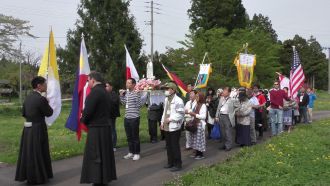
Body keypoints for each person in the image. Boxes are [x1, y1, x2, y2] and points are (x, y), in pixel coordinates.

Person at [15, 76, 54, 185]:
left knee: (28, 153)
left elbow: (24, 113)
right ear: (39, 85)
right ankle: (38, 177)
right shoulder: (41, 99)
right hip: (38, 128)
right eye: (45, 84)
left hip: (27, 129)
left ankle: (29, 176)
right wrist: (46, 102)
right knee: (38, 152)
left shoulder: (27, 98)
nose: (46, 86)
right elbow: (49, 113)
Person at [80, 72, 117, 185]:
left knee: (95, 154)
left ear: (92, 80)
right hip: (105, 127)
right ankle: (104, 178)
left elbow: (88, 112)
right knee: (104, 154)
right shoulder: (105, 92)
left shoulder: (94, 93)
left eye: (88, 81)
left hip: (96, 129)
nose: (88, 83)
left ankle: (97, 180)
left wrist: (83, 120)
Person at [161, 82, 185, 172]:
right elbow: (164, 112)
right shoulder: (166, 99)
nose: (166, 91)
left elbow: (180, 114)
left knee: (175, 146)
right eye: (165, 89)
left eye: (167, 89)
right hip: (166, 126)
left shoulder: (178, 100)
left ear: (173, 90)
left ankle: (178, 164)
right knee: (168, 145)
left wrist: (170, 119)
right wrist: (162, 122)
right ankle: (170, 162)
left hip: (174, 127)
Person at [120, 78, 144, 161]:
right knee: (129, 137)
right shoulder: (126, 93)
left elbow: (140, 105)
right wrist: (121, 95)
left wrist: (137, 96)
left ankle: (137, 153)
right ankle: (131, 152)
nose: (127, 84)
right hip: (127, 117)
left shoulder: (136, 93)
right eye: (126, 83)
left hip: (134, 118)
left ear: (133, 85)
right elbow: (123, 104)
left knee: (135, 136)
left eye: (129, 83)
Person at [215, 87, 236, 151]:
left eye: (225, 91)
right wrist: (216, 116)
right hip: (221, 116)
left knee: (228, 131)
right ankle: (224, 144)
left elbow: (238, 107)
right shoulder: (221, 99)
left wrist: (233, 112)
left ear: (229, 92)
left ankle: (228, 146)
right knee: (222, 131)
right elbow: (218, 108)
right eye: (223, 90)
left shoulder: (232, 99)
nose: (223, 92)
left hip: (227, 117)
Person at [189, 91, 207, 159]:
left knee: (199, 140)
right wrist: (189, 112)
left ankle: (200, 154)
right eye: (196, 96)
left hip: (199, 124)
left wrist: (194, 114)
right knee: (195, 139)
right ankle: (196, 153)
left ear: (201, 97)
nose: (196, 98)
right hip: (194, 123)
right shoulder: (195, 104)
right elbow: (192, 111)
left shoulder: (203, 105)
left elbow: (203, 116)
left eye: (197, 96)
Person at [105, 82, 120, 151]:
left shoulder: (114, 94)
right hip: (105, 116)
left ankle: (113, 145)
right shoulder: (104, 94)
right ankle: (108, 145)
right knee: (107, 131)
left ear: (111, 87)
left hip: (111, 115)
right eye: (105, 86)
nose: (106, 87)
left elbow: (114, 103)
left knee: (112, 130)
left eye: (107, 86)